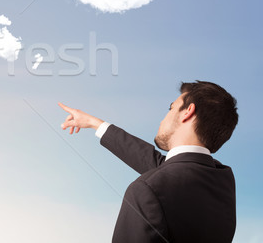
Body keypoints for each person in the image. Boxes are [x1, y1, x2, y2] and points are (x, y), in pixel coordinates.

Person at [59, 81, 238, 243]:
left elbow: (164, 176)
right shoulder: (223, 178)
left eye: (171, 108)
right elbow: (167, 168)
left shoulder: (145, 190)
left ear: (187, 112)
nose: (164, 118)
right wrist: (95, 124)